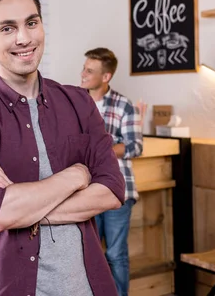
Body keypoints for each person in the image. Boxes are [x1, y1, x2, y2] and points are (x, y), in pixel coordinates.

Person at [0, 0, 126, 296]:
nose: (24, 38)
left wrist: (20, 201)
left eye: (31, 23)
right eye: (7, 28)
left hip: (84, 287)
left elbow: (111, 189)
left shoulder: (79, 102)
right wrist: (75, 176)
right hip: (5, 286)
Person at [81, 47, 144, 296]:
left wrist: (98, 147)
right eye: (84, 68)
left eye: (89, 70)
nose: (83, 74)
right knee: (89, 254)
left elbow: (135, 146)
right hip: (86, 191)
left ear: (105, 77)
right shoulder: (77, 103)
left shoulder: (124, 105)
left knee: (116, 254)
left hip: (119, 191)